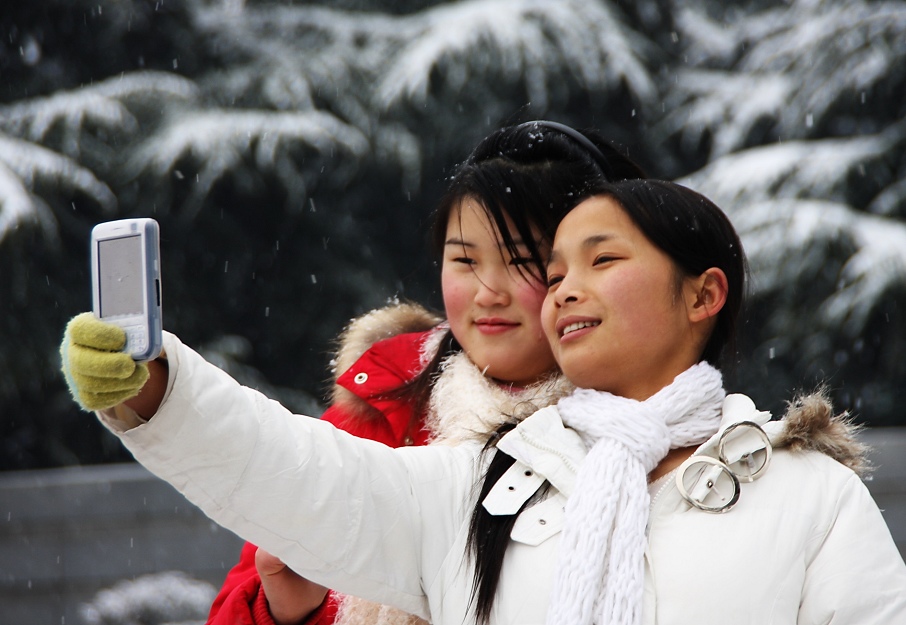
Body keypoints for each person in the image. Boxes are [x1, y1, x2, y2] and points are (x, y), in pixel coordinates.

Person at [62, 179, 906, 624]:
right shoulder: (485, 485)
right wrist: (161, 386)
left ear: (702, 294)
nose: (565, 290)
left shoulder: (808, 495)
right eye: (562, 269)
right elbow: (295, 471)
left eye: (601, 259)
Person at [63, 121, 645, 625]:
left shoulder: (654, 424)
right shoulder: (381, 411)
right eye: (464, 259)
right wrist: (288, 609)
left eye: (522, 261)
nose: (487, 292)